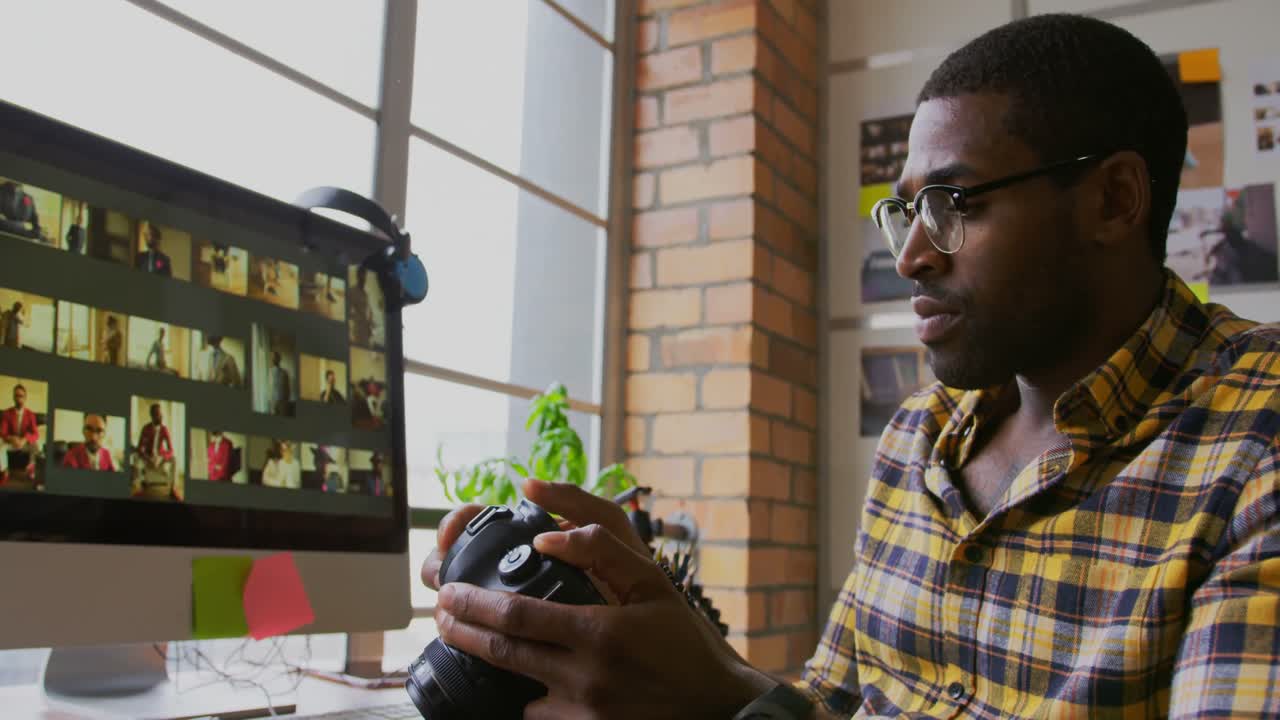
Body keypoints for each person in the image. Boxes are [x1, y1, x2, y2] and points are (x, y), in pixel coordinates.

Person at [420, 15, 1280, 720]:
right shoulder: (919, 436)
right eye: (905, 211)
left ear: (1114, 200)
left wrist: (713, 696)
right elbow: (833, 706)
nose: (910, 257)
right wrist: (666, 640)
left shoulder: (1257, 442)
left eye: (952, 203)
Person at [1, 383, 39, 485]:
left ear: (25, 398)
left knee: (36, 446)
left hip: (24, 443)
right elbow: (3, 433)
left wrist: (25, 439)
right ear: (13, 397)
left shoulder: (30, 414)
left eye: (21, 396)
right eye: (16, 396)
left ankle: (31, 469)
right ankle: (4, 471)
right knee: (0, 444)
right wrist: (11, 438)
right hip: (11, 443)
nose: (19, 399)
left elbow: (36, 434)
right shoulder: (6, 413)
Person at [133, 403, 174, 497]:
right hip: (148, 456)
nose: (161, 416)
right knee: (136, 458)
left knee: (174, 460)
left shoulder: (164, 429)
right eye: (157, 414)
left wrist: (162, 457)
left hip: (160, 457)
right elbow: (140, 448)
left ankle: (172, 488)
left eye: (161, 414)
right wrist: (148, 458)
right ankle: (138, 488)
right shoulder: (145, 428)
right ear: (152, 415)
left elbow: (171, 450)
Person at [268, 350, 290, 415]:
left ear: (279, 359)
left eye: (275, 357)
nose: (273, 359)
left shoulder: (284, 372)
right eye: (272, 357)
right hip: (272, 401)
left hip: (282, 401)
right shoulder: (269, 372)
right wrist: (270, 401)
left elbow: (287, 388)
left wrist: (286, 401)